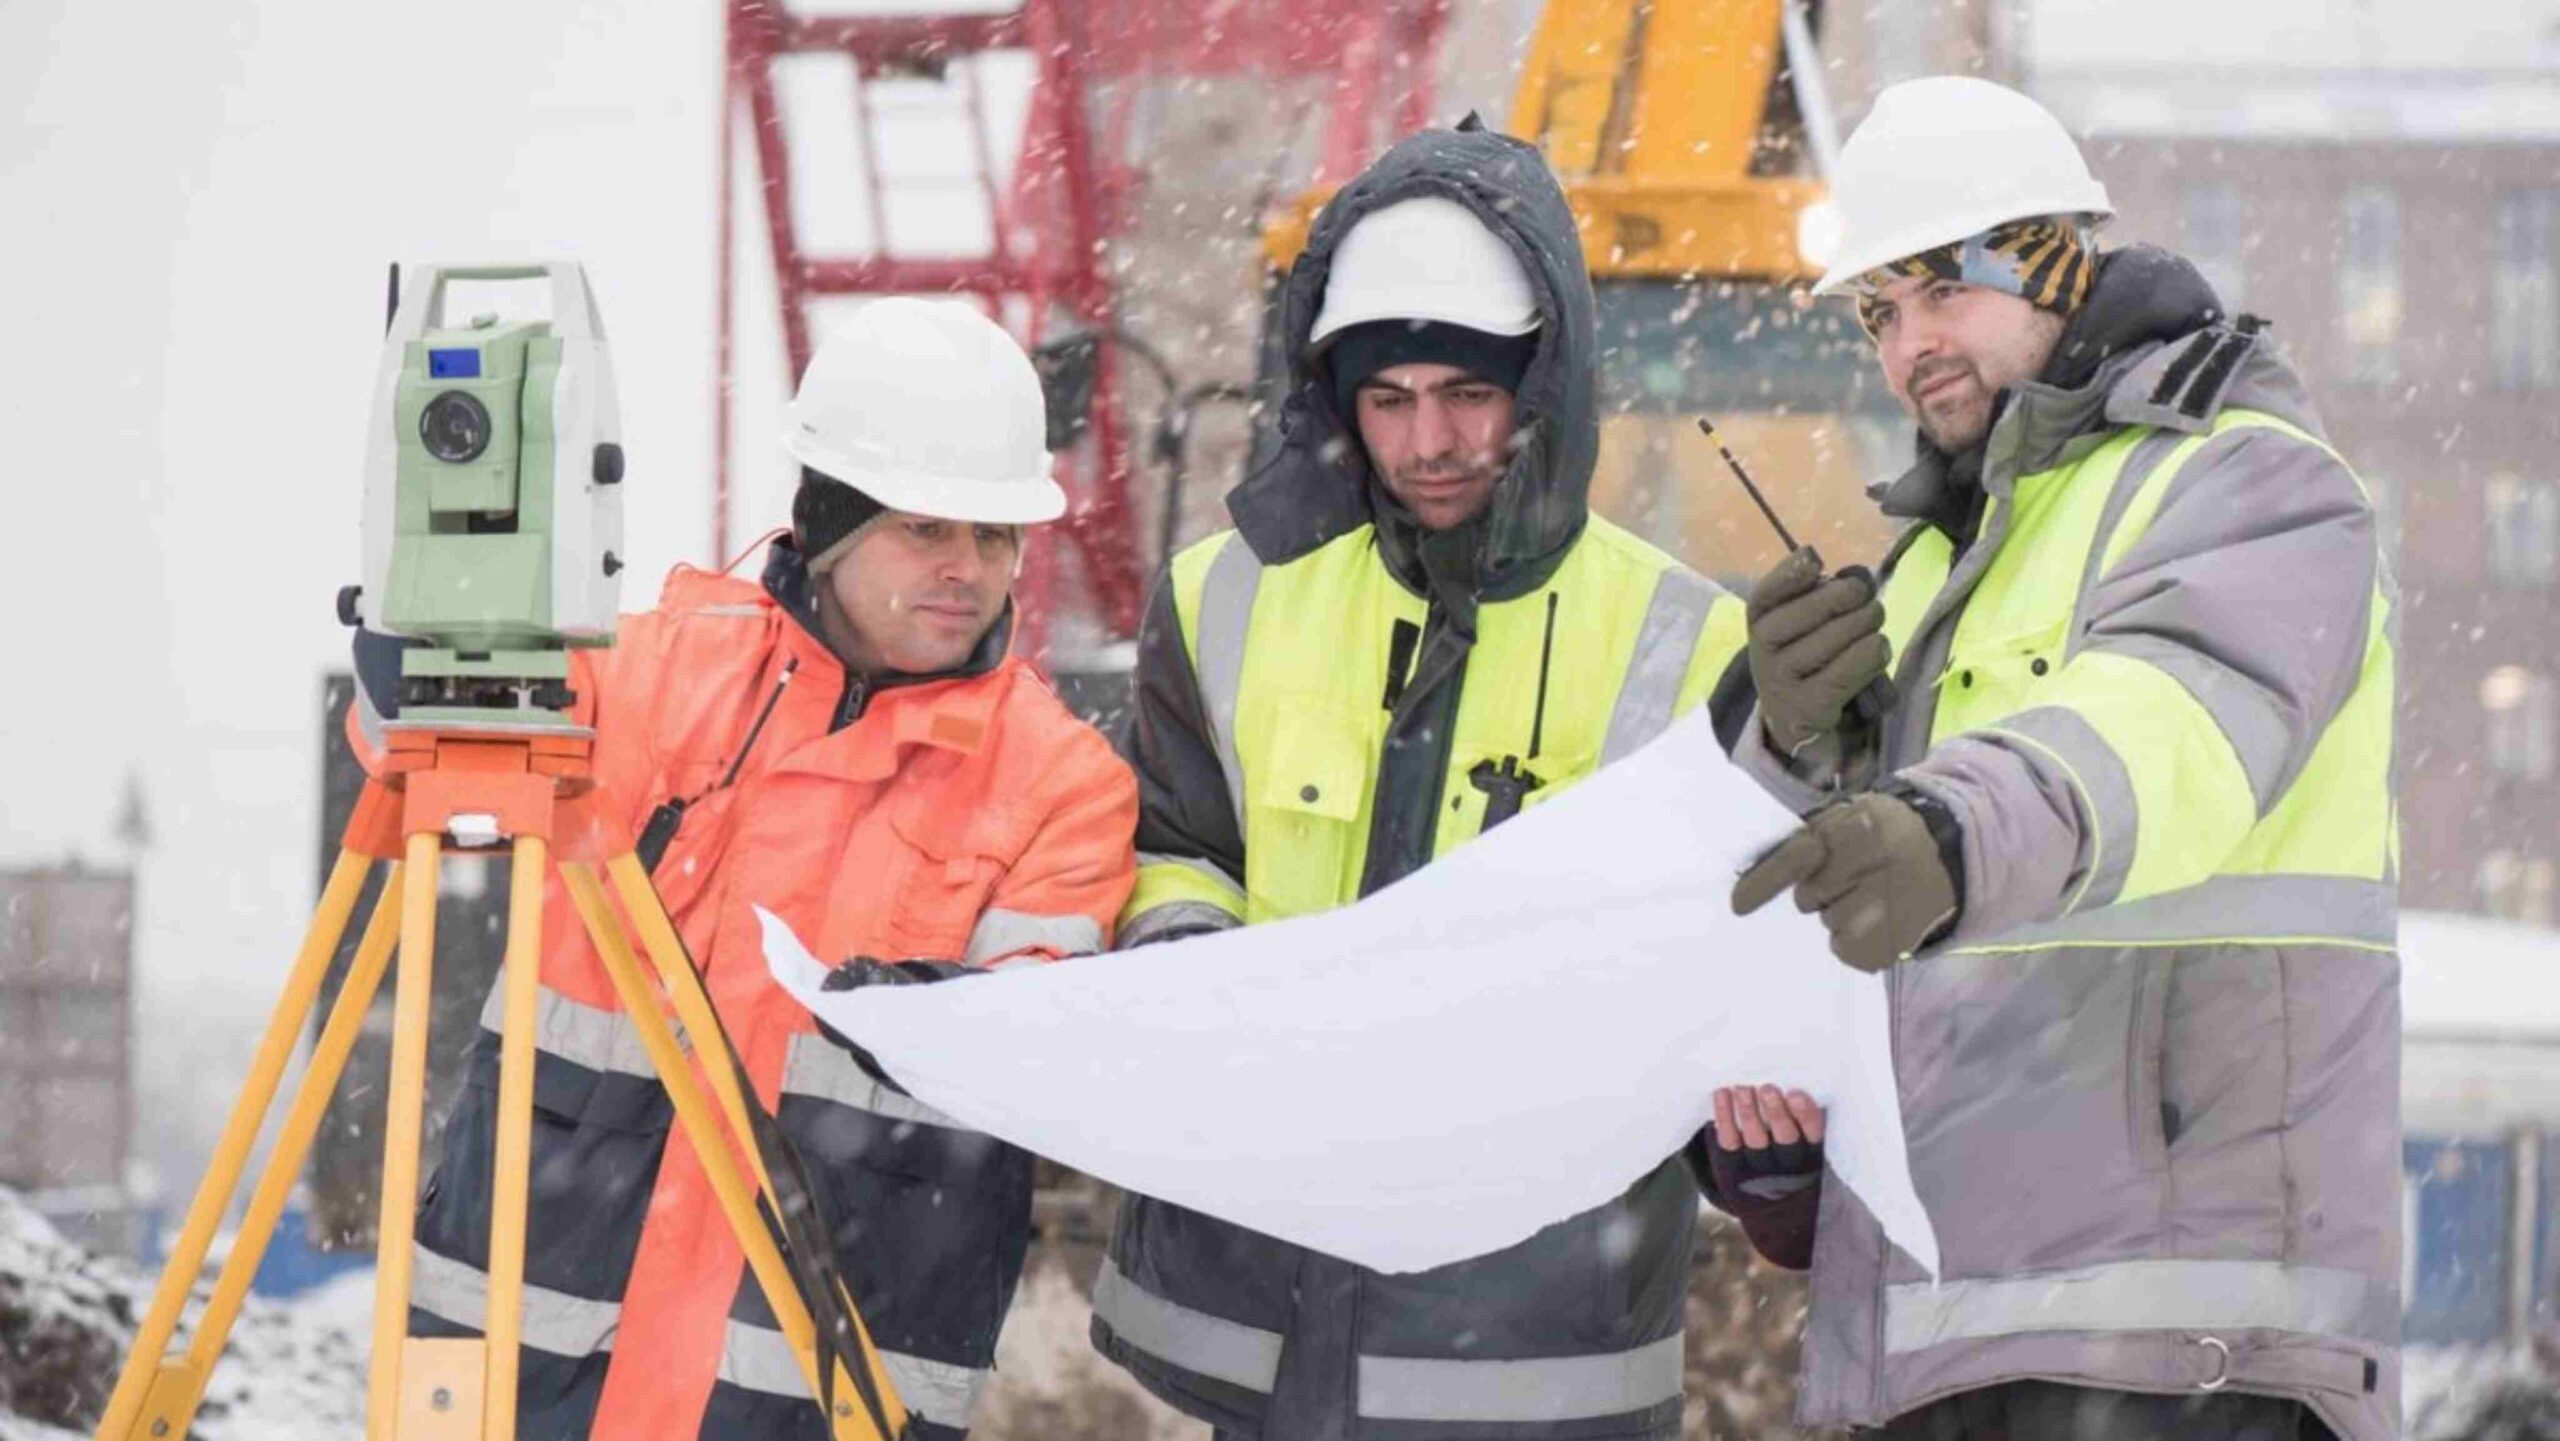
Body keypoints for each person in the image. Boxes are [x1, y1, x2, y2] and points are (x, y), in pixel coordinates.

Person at [1087, 117, 1808, 1441]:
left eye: (1468, 395)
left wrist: (1766, 1158)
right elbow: (1175, 844)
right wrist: (1193, 971)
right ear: (1336, 399)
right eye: (1389, 397)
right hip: (1260, 1333)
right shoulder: (1219, 598)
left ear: (1542, 387)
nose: (1430, 441)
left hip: (1544, 1360)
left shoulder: (1692, 640)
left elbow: (1732, 979)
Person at [1724, 76, 2400, 1440]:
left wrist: (1947, 831)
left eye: (1942, 292)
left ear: (2049, 259)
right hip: (1942, 1349)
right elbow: (1822, 922)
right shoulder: (1927, 569)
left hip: (2187, 1358)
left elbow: (2164, 726)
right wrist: (1783, 748)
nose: (1911, 345)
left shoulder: (2249, 483)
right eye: (1880, 314)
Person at [349, 297, 1139, 1440]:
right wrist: (417, 644)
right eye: (925, 527)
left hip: (809, 1392)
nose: (967, 568)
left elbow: (1032, 1054)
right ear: (826, 519)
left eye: (993, 535)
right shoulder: (653, 672)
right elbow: (411, 755)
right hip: (529, 1370)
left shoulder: (1064, 784)